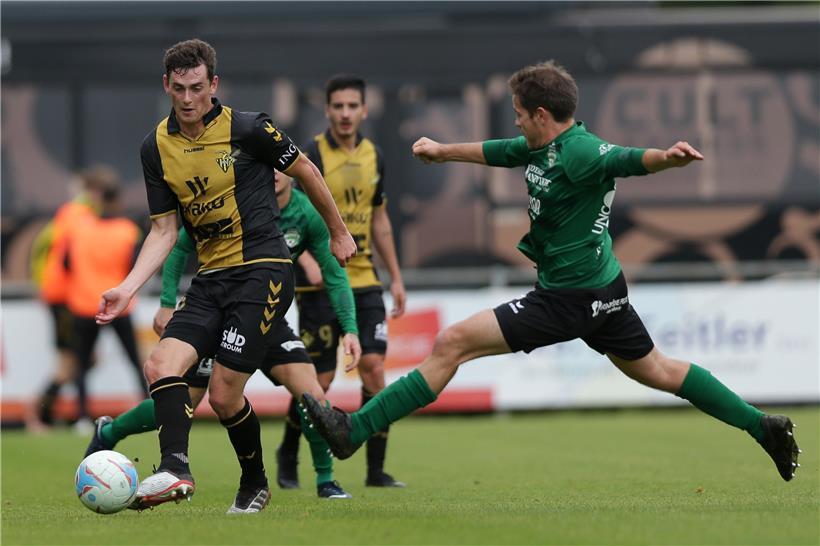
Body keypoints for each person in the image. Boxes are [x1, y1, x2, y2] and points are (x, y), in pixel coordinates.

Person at [302, 60, 801, 484]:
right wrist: (442, 151)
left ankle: (353, 432)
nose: (516, 122)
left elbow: (626, 160)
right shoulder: (543, 147)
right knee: (662, 370)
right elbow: (499, 151)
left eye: (520, 114)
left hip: (569, 299)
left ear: (542, 114)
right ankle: (765, 428)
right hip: (605, 290)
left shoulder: (581, 151)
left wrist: (666, 160)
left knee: (451, 343)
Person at [95, 39, 356, 514]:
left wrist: (338, 233)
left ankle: (257, 481)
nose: (189, 98)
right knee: (160, 366)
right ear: (167, 87)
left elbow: (309, 171)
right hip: (212, 279)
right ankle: (175, 467)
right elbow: (164, 230)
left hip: (263, 271)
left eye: (198, 87)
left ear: (213, 84)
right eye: (180, 89)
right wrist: (127, 289)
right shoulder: (155, 147)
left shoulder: (251, 128)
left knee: (222, 392)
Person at [86, 171, 361, 500]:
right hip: (216, 310)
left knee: (312, 394)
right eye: (266, 165)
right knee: (185, 398)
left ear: (293, 171)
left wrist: (350, 328)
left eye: (279, 166)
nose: (272, 172)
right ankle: (112, 431)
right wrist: (166, 303)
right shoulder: (234, 201)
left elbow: (334, 273)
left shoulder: (306, 214)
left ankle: (325, 481)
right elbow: (177, 245)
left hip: (265, 315)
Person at [277, 74, 407, 489]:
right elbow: (292, 214)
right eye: (339, 106)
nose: (346, 113)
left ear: (364, 110)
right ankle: (288, 452)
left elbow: (380, 220)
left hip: (366, 279)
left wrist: (397, 277)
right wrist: (307, 264)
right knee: (321, 383)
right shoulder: (311, 154)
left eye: (353, 106)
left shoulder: (375, 156)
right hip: (321, 284)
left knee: (373, 370)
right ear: (328, 110)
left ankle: (375, 470)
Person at [65, 173, 148, 428]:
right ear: (119, 200)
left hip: (84, 304)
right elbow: (137, 267)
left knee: (82, 362)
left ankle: (81, 417)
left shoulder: (81, 228)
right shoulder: (127, 230)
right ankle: (148, 406)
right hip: (118, 305)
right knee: (134, 360)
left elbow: (65, 264)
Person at [28, 167, 107, 430]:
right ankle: (39, 415)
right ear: (95, 193)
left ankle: (50, 413)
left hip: (61, 294)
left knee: (84, 359)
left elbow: (42, 248)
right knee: (70, 360)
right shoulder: (80, 216)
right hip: (65, 297)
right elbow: (70, 259)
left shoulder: (70, 213)